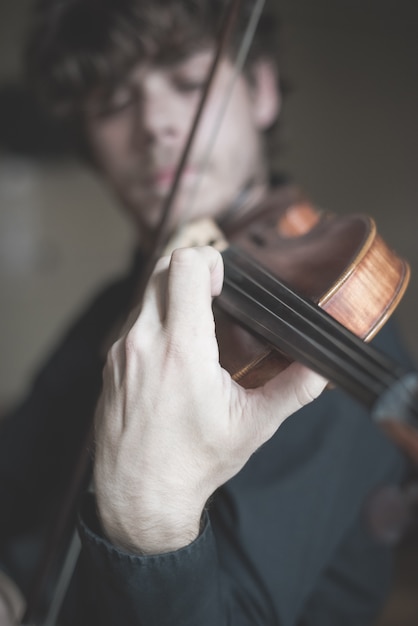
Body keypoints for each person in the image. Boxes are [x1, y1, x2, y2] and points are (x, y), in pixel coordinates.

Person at [0, 0, 414, 624]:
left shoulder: (326, 318)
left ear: (261, 90)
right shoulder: (115, 308)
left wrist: (150, 525)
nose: (155, 123)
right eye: (114, 101)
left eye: (188, 82)